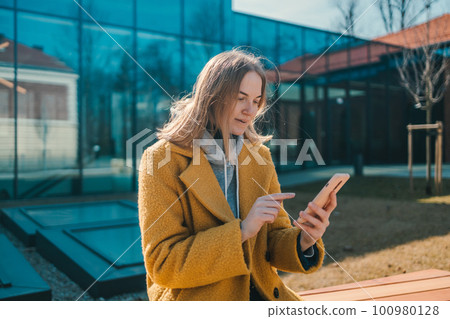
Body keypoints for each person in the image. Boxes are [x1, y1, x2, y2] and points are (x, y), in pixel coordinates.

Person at [138, 48, 337, 301]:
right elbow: (163, 263)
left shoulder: (259, 157)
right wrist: (242, 231)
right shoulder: (161, 160)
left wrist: (305, 240)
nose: (250, 110)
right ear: (212, 96)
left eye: (256, 101)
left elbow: (272, 242)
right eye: (240, 98)